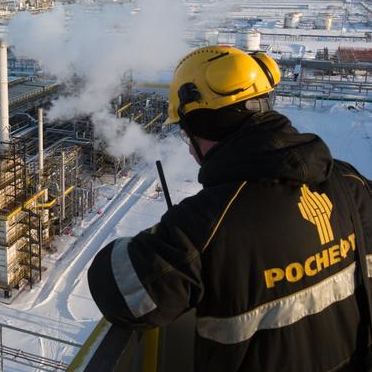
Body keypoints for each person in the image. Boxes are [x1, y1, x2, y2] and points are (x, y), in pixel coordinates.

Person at [88, 45, 372, 371]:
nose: (191, 152)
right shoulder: (352, 182)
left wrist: (171, 231)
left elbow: (119, 293)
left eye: (187, 135)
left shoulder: (207, 225)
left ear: (206, 128)